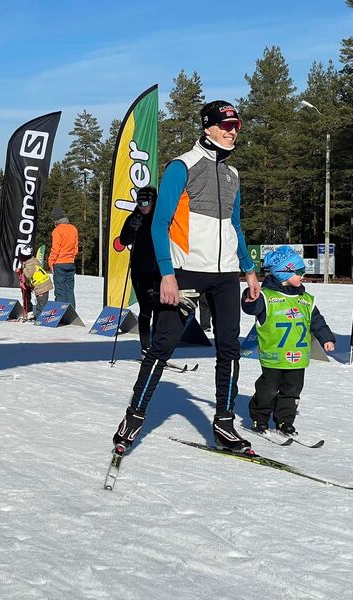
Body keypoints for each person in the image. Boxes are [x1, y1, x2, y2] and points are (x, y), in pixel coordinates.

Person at [111, 100, 261, 453]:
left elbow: (235, 226)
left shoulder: (233, 174)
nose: (232, 131)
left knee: (229, 350)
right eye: (225, 125)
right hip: (187, 272)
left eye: (236, 125)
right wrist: (167, 274)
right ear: (207, 127)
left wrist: (249, 269)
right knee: (161, 349)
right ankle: (133, 418)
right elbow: (160, 224)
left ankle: (224, 425)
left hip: (225, 276)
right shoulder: (182, 166)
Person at [242, 246, 335, 436]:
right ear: (284, 272)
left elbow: (317, 321)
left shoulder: (306, 299)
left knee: (292, 392)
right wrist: (248, 299)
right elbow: (251, 307)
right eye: (299, 271)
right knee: (268, 389)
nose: (303, 275)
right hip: (274, 356)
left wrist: (326, 338)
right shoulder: (267, 297)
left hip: (298, 358)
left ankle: (285, 421)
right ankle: (259, 417)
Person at [118, 186, 159, 354]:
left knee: (160, 308)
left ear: (153, 201)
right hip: (139, 270)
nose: (142, 206)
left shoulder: (160, 217)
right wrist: (131, 228)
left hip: (158, 270)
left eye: (145, 202)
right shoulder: (135, 217)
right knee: (145, 308)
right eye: (139, 202)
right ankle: (145, 346)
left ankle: (157, 344)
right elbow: (123, 240)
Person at [47, 207, 78, 308]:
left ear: (55, 220)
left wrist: (51, 262)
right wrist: (72, 257)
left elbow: (55, 248)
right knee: (69, 289)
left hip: (59, 263)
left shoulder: (57, 230)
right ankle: (71, 312)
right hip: (71, 263)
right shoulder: (73, 229)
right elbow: (76, 248)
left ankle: (60, 313)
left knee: (60, 290)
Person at [17, 245, 52, 320]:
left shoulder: (30, 265)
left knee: (41, 303)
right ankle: (38, 316)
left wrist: (24, 270)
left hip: (42, 285)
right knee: (40, 302)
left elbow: (29, 275)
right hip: (40, 285)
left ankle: (40, 318)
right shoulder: (30, 262)